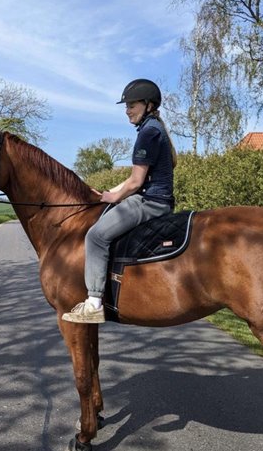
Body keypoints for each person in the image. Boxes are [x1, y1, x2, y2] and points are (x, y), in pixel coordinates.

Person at [62, 79, 177, 323]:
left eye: (132, 105)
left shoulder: (148, 133)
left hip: (150, 202)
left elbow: (136, 182)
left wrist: (115, 197)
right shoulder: (154, 128)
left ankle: (94, 303)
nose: (127, 111)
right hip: (154, 197)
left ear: (148, 105)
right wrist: (107, 193)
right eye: (126, 106)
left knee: (96, 236)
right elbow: (136, 178)